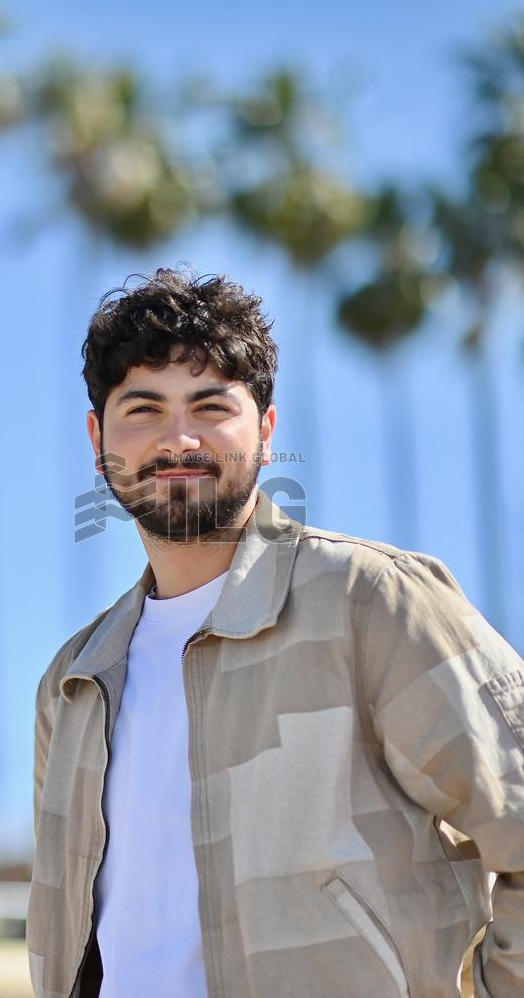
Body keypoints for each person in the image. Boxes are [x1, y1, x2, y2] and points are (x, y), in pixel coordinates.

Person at [26, 267, 524, 998]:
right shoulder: (74, 682)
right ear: (99, 438)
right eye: (143, 409)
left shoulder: (371, 602)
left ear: (264, 429)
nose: (179, 438)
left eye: (210, 405)